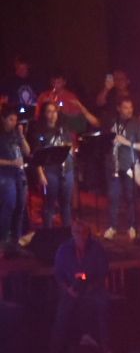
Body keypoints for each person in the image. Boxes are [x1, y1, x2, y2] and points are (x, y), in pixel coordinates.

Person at [44, 220, 112, 353]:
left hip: (93, 288)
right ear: (72, 233)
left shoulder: (96, 248)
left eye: (83, 232)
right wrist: (67, 289)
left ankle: (105, 347)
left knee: (102, 305)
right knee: (62, 314)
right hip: (71, 289)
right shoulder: (63, 250)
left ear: (88, 233)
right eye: (76, 232)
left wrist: (92, 285)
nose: (80, 236)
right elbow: (58, 274)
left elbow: (103, 272)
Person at [104, 98, 140, 241]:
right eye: (125, 107)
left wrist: (126, 142)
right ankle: (112, 227)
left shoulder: (137, 123)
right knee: (113, 198)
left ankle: (132, 227)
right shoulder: (112, 122)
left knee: (131, 198)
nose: (129, 110)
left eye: (131, 107)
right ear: (119, 108)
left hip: (130, 165)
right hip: (113, 165)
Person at [31, 99, 76, 230]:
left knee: (66, 204)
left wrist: (69, 149)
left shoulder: (63, 128)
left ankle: (67, 232)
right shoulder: (40, 132)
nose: (52, 115)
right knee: (50, 204)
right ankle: (48, 233)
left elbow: (69, 146)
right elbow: (37, 156)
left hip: (66, 170)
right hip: (50, 172)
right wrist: (40, 174)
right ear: (44, 114)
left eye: (54, 111)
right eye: (49, 112)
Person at [0, 109, 27, 249]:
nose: (14, 123)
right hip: (5, 174)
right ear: (3, 119)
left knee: (20, 206)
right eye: (11, 119)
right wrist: (11, 163)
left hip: (19, 174)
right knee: (9, 205)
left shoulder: (16, 135)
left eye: (15, 120)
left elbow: (27, 152)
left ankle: (17, 239)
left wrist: (22, 135)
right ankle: (4, 238)